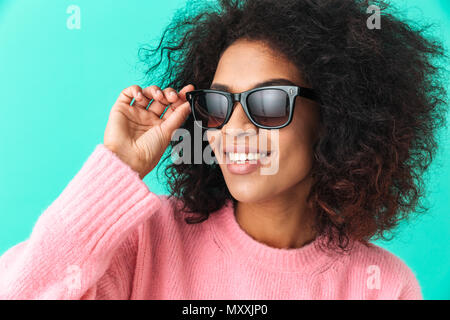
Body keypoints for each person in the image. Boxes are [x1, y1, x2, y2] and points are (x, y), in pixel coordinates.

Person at [0, 0, 447, 299]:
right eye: (218, 104)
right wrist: (118, 165)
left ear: (336, 116)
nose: (232, 128)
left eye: (268, 103)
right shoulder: (144, 240)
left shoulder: (381, 286)